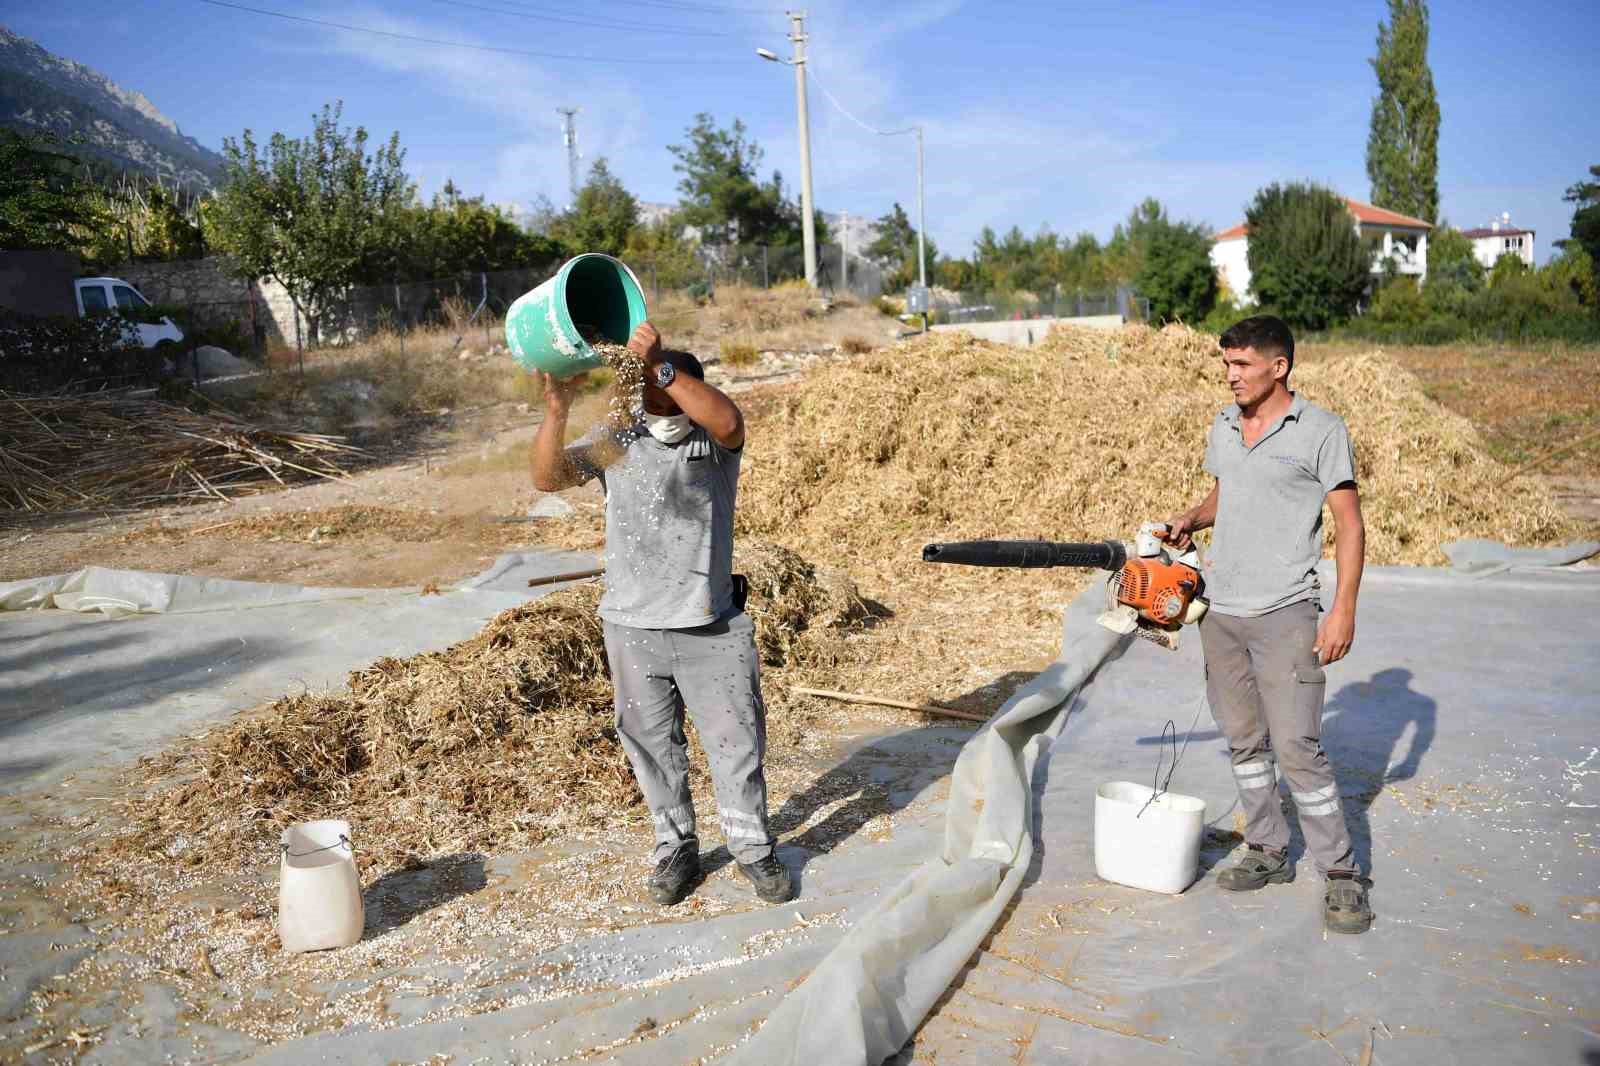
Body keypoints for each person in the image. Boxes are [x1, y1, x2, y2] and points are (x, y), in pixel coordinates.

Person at [530, 321, 793, 906]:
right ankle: (675, 849)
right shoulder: (618, 441)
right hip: (632, 627)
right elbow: (548, 477)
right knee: (651, 747)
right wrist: (557, 410)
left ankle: (752, 849)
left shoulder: (710, 443)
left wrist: (659, 366)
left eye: (668, 385)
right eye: (649, 386)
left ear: (684, 385)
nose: (657, 396)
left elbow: (728, 420)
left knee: (736, 744)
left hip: (711, 625)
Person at [1161, 314, 1372, 935]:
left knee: (1298, 749)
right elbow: (1229, 488)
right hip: (1220, 612)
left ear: (1278, 367)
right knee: (1245, 743)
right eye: (1225, 364)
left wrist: (1344, 608)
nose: (1230, 377)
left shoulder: (1322, 431)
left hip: (1285, 612)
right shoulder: (1225, 424)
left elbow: (1350, 526)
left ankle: (1340, 875)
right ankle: (1267, 849)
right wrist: (1192, 519)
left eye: (1241, 366)